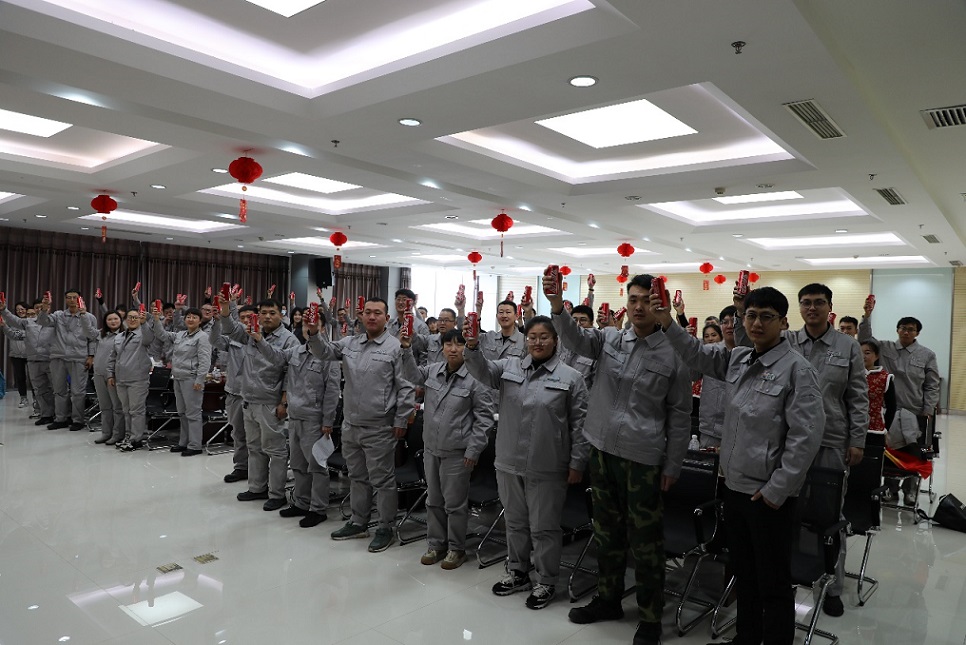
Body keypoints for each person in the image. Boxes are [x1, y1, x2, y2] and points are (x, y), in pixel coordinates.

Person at [657, 286, 824, 645]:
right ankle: (746, 637)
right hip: (733, 487)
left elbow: (806, 437)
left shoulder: (797, 370)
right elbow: (696, 354)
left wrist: (777, 489)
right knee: (744, 573)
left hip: (768, 496)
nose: (757, 323)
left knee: (773, 580)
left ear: (783, 322)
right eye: (751, 315)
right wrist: (668, 321)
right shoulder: (739, 359)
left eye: (767, 317)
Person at [547, 274, 691, 645]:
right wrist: (558, 305)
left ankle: (650, 617)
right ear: (626, 303)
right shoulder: (610, 339)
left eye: (647, 300)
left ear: (659, 305)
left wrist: (673, 464)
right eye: (634, 299)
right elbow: (575, 339)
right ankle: (608, 599)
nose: (639, 307)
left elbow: (680, 415)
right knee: (606, 533)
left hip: (642, 458)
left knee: (645, 542)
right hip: (601, 450)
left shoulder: (673, 353)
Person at [735, 282, 868, 617]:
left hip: (830, 442)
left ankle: (832, 586)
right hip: (785, 444)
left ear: (830, 307)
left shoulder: (847, 346)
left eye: (819, 302)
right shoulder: (787, 339)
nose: (812, 308)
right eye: (806, 302)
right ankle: (789, 576)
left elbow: (857, 396)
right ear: (797, 308)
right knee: (785, 515)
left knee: (827, 517)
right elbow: (746, 351)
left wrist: (857, 440)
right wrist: (740, 311)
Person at [463, 315, 588, 611]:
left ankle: (546, 580)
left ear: (555, 341)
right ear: (526, 340)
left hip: (548, 465)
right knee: (515, 522)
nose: (538, 342)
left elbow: (580, 426)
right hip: (508, 461)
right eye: (532, 337)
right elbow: (481, 370)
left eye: (544, 337)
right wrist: (472, 346)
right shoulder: (509, 368)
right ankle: (518, 572)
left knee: (544, 527)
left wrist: (577, 462)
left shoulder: (571, 378)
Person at [306, 298, 415, 553]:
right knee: (356, 477)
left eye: (378, 313)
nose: (372, 317)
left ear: (387, 318)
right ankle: (358, 521)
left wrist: (401, 419)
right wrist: (313, 333)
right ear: (362, 316)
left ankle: (386, 527)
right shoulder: (350, 343)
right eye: (368, 312)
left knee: (382, 480)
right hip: (351, 424)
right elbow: (323, 352)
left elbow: (406, 386)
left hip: (380, 426)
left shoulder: (396, 347)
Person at [399, 328, 496, 570]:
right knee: (433, 500)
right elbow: (412, 375)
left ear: (467, 347)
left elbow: (484, 419)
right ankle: (436, 544)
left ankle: (456, 548)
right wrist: (406, 348)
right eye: (448, 344)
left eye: (459, 344)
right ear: (442, 347)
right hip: (431, 448)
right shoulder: (433, 370)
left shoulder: (477, 378)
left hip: (458, 452)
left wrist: (473, 451)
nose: (453, 349)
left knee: (454, 503)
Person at [219, 298, 299, 509]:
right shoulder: (251, 333)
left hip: (270, 401)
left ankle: (277, 494)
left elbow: (290, 372)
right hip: (249, 399)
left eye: (272, 313)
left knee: (275, 450)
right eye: (264, 313)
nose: (267, 317)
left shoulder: (289, 340)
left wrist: (284, 402)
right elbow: (229, 328)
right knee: (254, 447)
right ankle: (257, 487)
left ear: (281, 315)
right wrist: (226, 308)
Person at [858, 303, 940, 506]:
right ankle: (890, 489)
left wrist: (928, 409)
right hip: (889, 410)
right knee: (890, 451)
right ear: (897, 330)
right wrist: (867, 316)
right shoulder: (885, 347)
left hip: (914, 411)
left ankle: (911, 491)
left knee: (913, 451)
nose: (906, 332)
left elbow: (932, 384)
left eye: (911, 329)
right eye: (903, 328)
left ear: (917, 333)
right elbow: (865, 339)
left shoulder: (927, 354)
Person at [276, 321, 342, 528]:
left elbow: (332, 391)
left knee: (317, 466)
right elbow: (276, 360)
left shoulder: (328, 356)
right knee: (298, 465)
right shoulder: (296, 352)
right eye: (305, 325)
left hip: (315, 419)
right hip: (295, 416)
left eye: (313, 325)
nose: (308, 329)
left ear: (321, 329)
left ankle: (318, 509)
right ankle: (301, 503)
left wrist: (328, 420)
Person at [150, 305, 212, 456]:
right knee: (182, 413)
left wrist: (200, 380)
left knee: (193, 413)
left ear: (200, 321)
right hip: (177, 377)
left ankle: (195, 445)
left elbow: (205, 361)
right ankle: (183, 442)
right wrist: (157, 319)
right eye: (188, 317)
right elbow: (161, 334)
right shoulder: (180, 335)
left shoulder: (202, 337)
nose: (190, 319)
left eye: (194, 317)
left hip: (192, 379)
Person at [36, 289, 97, 431]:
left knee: (78, 392)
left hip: (79, 357)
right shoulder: (58, 315)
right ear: (65, 299)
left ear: (80, 299)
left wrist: (91, 356)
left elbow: (92, 338)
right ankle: (60, 418)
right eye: (68, 297)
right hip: (58, 357)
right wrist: (44, 308)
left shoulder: (89, 317)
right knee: (59, 390)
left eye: (74, 297)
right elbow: (43, 322)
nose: (71, 300)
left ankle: (78, 420)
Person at [211, 304, 258, 482]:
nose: (246, 320)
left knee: (257, 436)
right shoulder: (233, 339)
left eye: (249, 317)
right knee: (238, 433)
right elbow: (215, 340)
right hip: (235, 392)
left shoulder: (263, 339)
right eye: (242, 317)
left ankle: (259, 469)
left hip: (256, 395)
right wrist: (216, 322)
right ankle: (241, 467)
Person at [108, 308, 155, 450]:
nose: (133, 320)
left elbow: (149, 338)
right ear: (125, 320)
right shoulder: (119, 337)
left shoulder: (143, 335)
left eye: (136, 317)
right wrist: (110, 374)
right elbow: (112, 357)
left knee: (136, 411)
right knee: (126, 410)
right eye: (130, 317)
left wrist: (144, 323)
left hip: (137, 379)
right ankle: (128, 436)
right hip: (121, 379)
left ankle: (136, 439)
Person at [2, 299, 55, 425]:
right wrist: (3, 310)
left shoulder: (54, 321)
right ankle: (46, 414)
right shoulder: (28, 323)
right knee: (39, 390)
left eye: (42, 307)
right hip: (33, 360)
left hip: (51, 360)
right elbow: (14, 322)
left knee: (56, 389)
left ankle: (61, 415)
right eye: (36, 308)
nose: (39, 310)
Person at [696, 306, 738, 449]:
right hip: (711, 428)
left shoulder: (752, 352)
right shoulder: (711, 352)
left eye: (734, 321)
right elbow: (693, 374)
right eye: (725, 322)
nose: (729, 325)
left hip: (740, 431)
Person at [91, 312, 126, 445]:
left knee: (117, 406)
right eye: (109, 319)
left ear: (120, 320)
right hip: (98, 374)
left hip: (114, 375)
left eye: (116, 319)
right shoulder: (101, 335)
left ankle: (117, 434)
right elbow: (87, 330)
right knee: (105, 406)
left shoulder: (124, 336)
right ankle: (106, 433)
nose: (113, 321)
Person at [557, 304, 597, 389]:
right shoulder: (560, 342)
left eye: (583, 320)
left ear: (591, 323)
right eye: (574, 320)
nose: (578, 324)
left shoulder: (596, 347)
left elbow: (596, 384)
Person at [6, 301, 30, 408]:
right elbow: (8, 333)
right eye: (17, 310)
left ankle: (37, 400)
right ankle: (23, 398)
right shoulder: (12, 322)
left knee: (34, 379)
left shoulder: (31, 321)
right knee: (20, 378)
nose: (20, 311)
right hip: (16, 355)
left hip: (30, 355)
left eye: (22, 309)